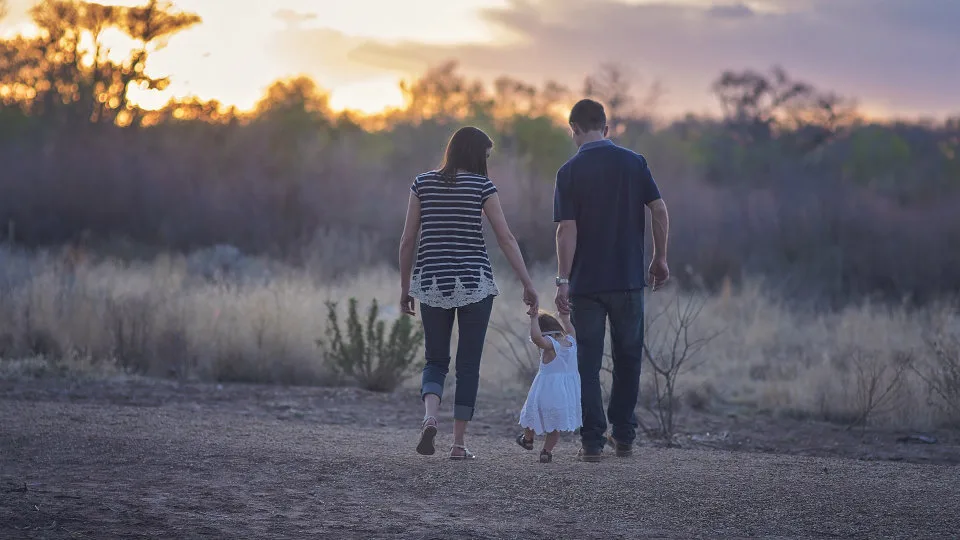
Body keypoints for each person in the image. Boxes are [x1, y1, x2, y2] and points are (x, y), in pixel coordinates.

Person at [399, 126, 539, 461]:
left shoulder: (422, 183)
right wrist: (527, 282)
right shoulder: (482, 186)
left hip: (432, 281)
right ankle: (459, 445)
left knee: (435, 359)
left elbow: (407, 240)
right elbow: (505, 238)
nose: (487, 163)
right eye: (486, 156)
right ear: (476, 155)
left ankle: (430, 416)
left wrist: (405, 288)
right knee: (468, 364)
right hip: (475, 283)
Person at [553, 99, 670, 462]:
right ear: (606, 128)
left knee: (587, 362)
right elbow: (659, 208)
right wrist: (660, 257)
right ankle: (624, 436)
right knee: (628, 358)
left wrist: (562, 280)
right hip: (628, 281)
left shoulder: (568, 171)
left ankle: (591, 442)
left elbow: (565, 231)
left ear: (573, 129)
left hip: (586, 285)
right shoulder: (634, 163)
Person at [516, 310, 582, 463]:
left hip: (546, 391)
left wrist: (533, 319)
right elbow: (571, 329)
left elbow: (536, 338)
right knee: (554, 425)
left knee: (530, 415)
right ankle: (546, 451)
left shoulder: (550, 345)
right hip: (565, 393)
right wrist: (565, 318)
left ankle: (528, 439)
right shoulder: (571, 341)